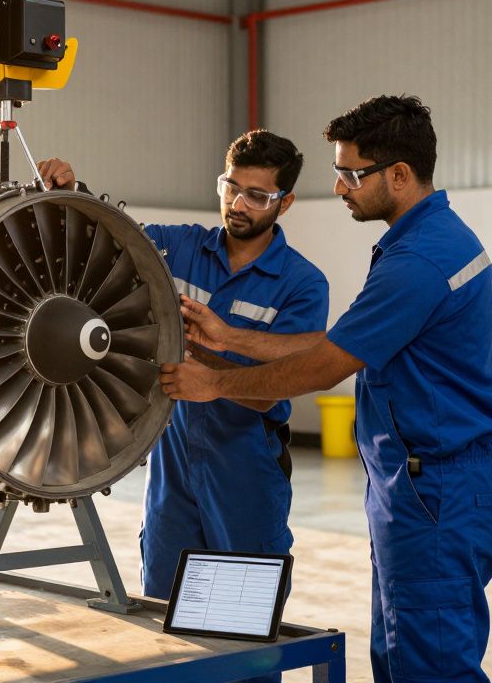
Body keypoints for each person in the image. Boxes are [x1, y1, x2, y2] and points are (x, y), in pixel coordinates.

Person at [161, 95, 492, 682]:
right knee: (401, 655)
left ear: (398, 175)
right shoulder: (426, 241)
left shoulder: (418, 261)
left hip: (437, 490)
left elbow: (326, 365)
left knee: (429, 666)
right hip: (416, 484)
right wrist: (230, 336)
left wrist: (214, 381)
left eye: (352, 174)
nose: (341, 187)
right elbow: (338, 342)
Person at [39, 128, 329, 618]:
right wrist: (72, 193)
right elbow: (105, 241)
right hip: (171, 469)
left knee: (240, 622)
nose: (238, 204)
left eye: (257, 195)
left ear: (285, 202)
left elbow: (272, 389)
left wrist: (205, 366)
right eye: (231, 187)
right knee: (164, 614)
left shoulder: (301, 284)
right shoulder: (177, 248)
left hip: (246, 472)